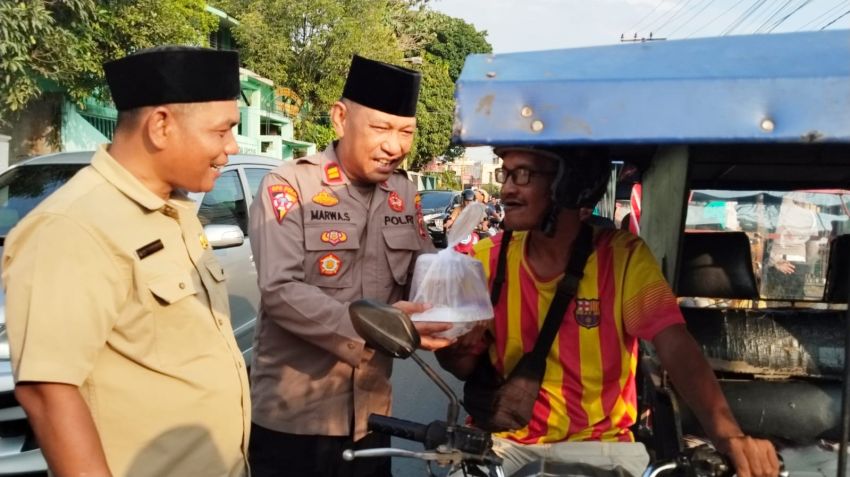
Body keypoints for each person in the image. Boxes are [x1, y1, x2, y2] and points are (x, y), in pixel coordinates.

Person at [436, 145, 779, 477]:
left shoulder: (622, 257)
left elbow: (674, 343)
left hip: (601, 448)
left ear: (569, 183)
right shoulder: (483, 259)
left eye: (522, 175)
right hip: (502, 445)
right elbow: (464, 366)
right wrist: (454, 349)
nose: (506, 188)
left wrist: (727, 436)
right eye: (505, 174)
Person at [2, 46, 249, 477]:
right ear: (160, 126)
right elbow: (48, 392)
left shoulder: (174, 210)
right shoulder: (72, 226)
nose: (232, 146)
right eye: (222, 130)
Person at [247, 55, 453, 477]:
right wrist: (383, 325)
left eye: (406, 132)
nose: (395, 145)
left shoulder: (403, 192)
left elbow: (420, 271)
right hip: (295, 423)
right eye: (381, 128)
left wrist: (456, 288)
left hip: (373, 418)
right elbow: (281, 291)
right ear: (341, 119)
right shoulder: (290, 185)